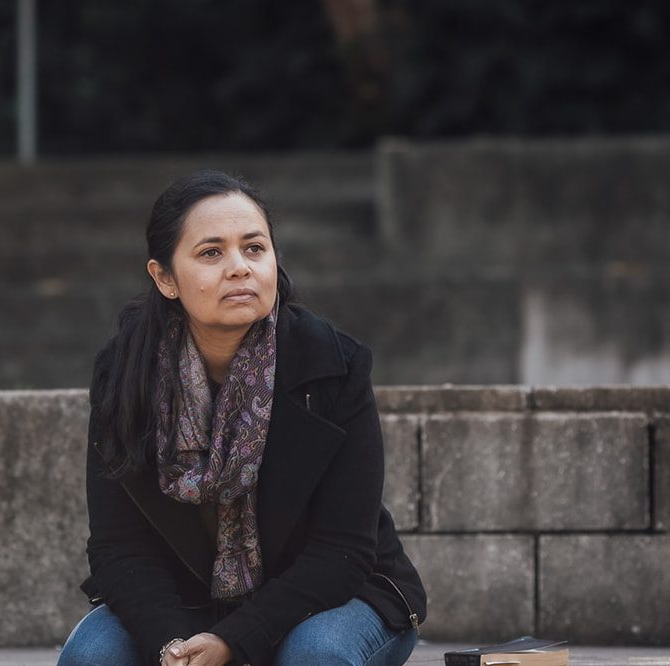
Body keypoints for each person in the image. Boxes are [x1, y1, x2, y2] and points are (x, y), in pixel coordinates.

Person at [57, 170, 427, 666]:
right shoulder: (125, 373)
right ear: (164, 277)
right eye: (212, 253)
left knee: (314, 657)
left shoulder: (333, 367)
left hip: (334, 597)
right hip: (187, 604)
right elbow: (117, 546)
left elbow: (344, 550)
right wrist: (169, 644)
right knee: (92, 659)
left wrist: (236, 640)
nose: (239, 268)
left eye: (254, 248)